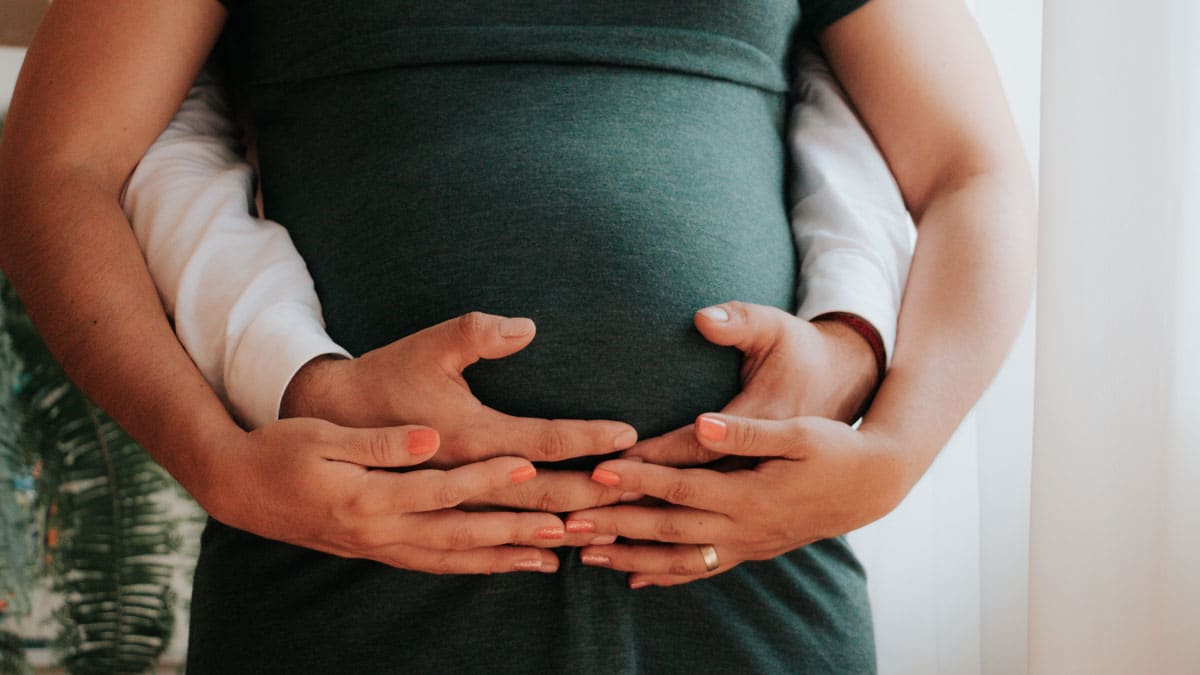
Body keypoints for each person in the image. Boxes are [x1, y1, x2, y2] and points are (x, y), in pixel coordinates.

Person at [0, 0, 1037, 672]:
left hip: (748, 601)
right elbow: (55, 166)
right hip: (344, 600)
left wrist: (896, 454)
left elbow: (971, 172)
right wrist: (217, 461)